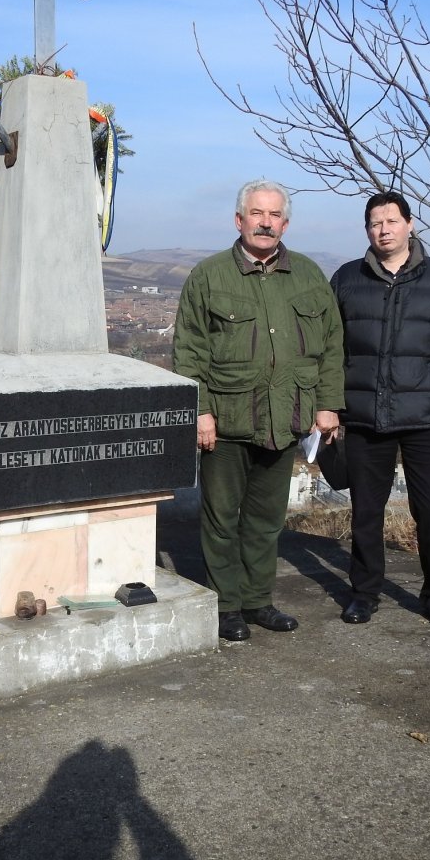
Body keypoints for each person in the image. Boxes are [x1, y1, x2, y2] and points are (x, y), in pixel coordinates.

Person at [173, 180, 344, 641]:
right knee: (221, 518)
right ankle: (226, 606)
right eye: (256, 213)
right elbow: (188, 351)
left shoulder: (308, 276)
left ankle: (258, 600)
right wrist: (200, 411)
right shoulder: (209, 276)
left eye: (274, 216)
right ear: (239, 220)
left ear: (284, 224)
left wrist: (328, 404)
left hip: (285, 419)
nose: (265, 222)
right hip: (225, 422)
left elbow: (331, 347)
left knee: (267, 521)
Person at [329, 191, 430, 630]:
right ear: (367, 230)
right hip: (366, 418)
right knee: (366, 511)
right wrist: (326, 405)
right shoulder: (347, 279)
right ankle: (363, 593)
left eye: (391, 221)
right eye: (374, 223)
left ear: (409, 224)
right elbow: (328, 350)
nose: (383, 230)